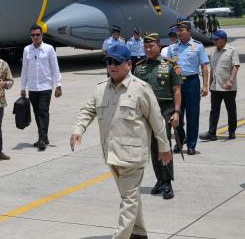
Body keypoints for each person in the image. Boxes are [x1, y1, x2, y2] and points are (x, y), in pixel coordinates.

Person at [71, 44, 172, 238]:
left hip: (133, 156)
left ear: (129, 64)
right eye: (109, 62)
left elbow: (157, 119)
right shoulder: (101, 89)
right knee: (130, 196)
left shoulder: (141, 89)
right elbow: (87, 110)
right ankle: (140, 232)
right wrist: (78, 129)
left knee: (128, 198)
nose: (112, 66)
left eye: (117, 62)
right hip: (111, 154)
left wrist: (164, 147)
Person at [134, 33, 181, 200]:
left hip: (164, 109)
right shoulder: (139, 67)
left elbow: (176, 90)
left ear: (158, 45)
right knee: (153, 147)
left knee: (164, 144)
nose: (147, 49)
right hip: (146, 112)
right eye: (145, 46)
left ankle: (168, 182)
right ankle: (160, 179)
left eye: (150, 46)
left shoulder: (169, 65)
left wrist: (176, 112)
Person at [167, 18, 209, 155]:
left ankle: (191, 144)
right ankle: (180, 139)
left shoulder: (198, 46)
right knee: (176, 114)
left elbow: (204, 66)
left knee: (192, 115)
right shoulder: (172, 48)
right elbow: (167, 66)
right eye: (177, 31)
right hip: (177, 84)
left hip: (192, 83)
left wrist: (205, 85)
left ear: (189, 31)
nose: (179, 33)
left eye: (181, 30)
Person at [21, 25, 62, 151]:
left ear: (42, 35)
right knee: (37, 113)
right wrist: (23, 87)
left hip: (45, 87)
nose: (35, 37)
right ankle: (43, 137)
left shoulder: (49, 49)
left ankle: (42, 139)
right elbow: (24, 70)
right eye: (33, 35)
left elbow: (55, 68)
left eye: (37, 35)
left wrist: (58, 85)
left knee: (43, 111)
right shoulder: (27, 50)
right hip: (33, 88)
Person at [199, 29, 240, 141]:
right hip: (215, 87)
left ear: (223, 39)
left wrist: (231, 80)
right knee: (214, 111)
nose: (214, 42)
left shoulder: (232, 50)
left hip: (228, 87)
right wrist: (208, 84)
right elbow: (212, 69)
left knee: (231, 110)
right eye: (213, 40)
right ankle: (212, 133)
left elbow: (235, 66)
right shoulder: (213, 52)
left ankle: (232, 131)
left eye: (216, 39)